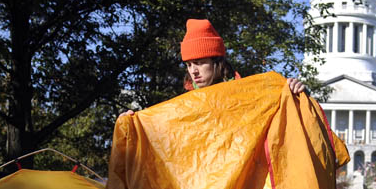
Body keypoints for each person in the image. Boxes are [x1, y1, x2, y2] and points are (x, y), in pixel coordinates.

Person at [122, 18, 305, 122]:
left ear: (217, 62)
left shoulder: (246, 97)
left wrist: (292, 94)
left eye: (200, 62)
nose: (193, 71)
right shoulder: (184, 105)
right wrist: (135, 122)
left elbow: (276, 120)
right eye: (189, 64)